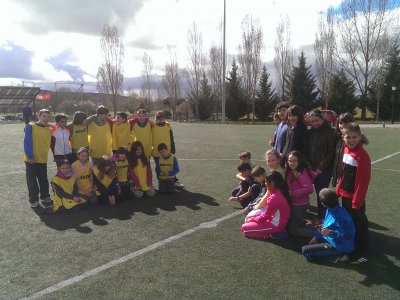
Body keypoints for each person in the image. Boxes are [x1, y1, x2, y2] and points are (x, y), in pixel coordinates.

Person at [336, 123, 371, 263]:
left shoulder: (362, 156)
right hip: (345, 196)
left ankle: (361, 253)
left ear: (360, 137)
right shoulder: (345, 150)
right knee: (349, 224)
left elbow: (363, 182)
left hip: (355, 200)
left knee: (359, 225)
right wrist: (338, 189)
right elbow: (344, 174)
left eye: (354, 137)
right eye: (348, 137)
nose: (351, 140)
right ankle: (351, 247)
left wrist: (357, 202)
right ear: (343, 137)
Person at [302, 188, 355, 262]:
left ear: (323, 203)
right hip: (330, 239)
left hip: (340, 246)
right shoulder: (330, 209)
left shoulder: (341, 216)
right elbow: (325, 225)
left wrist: (330, 233)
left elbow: (349, 234)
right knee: (306, 249)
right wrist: (316, 237)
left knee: (307, 253)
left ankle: (341, 255)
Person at [241, 171, 291, 239]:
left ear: (272, 183)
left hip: (276, 225)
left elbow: (266, 216)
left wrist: (253, 219)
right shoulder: (277, 191)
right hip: (274, 221)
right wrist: (254, 218)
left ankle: (272, 235)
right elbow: (267, 214)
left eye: (266, 182)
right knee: (247, 221)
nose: (265, 183)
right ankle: (273, 233)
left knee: (244, 228)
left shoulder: (275, 197)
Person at [307, 109, 336, 220]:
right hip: (310, 167)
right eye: (312, 121)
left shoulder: (330, 132)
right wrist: (307, 164)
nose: (315, 123)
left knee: (321, 195)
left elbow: (331, 152)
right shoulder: (310, 132)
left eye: (317, 120)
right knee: (305, 190)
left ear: (322, 118)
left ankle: (322, 218)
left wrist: (321, 167)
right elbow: (307, 149)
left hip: (323, 169)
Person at [23, 109, 52, 208]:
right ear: (39, 116)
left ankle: (45, 197)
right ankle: (34, 199)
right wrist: (30, 156)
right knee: (32, 181)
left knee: (43, 179)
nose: (46, 119)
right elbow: (27, 142)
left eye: (48, 117)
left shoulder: (49, 128)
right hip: (31, 159)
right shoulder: (31, 126)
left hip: (43, 158)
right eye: (44, 116)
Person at [244, 149, 285, 215]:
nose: (270, 163)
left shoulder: (276, 173)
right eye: (268, 161)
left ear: (278, 159)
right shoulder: (278, 168)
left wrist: (258, 206)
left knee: (249, 217)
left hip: (277, 203)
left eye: (273, 160)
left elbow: (268, 193)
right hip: (278, 199)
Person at [286, 151, 317, 238]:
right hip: (294, 204)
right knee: (291, 225)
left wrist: (293, 193)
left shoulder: (301, 172)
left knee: (293, 230)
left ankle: (319, 234)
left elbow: (309, 188)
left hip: (299, 205)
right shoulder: (291, 171)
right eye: (290, 161)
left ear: (299, 161)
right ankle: (313, 227)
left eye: (295, 161)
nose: (292, 163)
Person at [152, 111, 183, 188]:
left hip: (167, 151)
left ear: (164, 119)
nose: (160, 120)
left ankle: (174, 181)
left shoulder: (168, 126)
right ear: (156, 119)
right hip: (156, 152)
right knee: (159, 168)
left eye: (162, 119)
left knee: (170, 166)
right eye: (158, 119)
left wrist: (173, 149)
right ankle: (161, 181)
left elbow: (171, 139)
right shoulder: (153, 127)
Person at [331, 113, 355, 187]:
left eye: (346, 123)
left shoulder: (353, 140)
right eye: (340, 123)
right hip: (337, 175)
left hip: (347, 177)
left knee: (346, 197)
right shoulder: (338, 138)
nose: (342, 125)